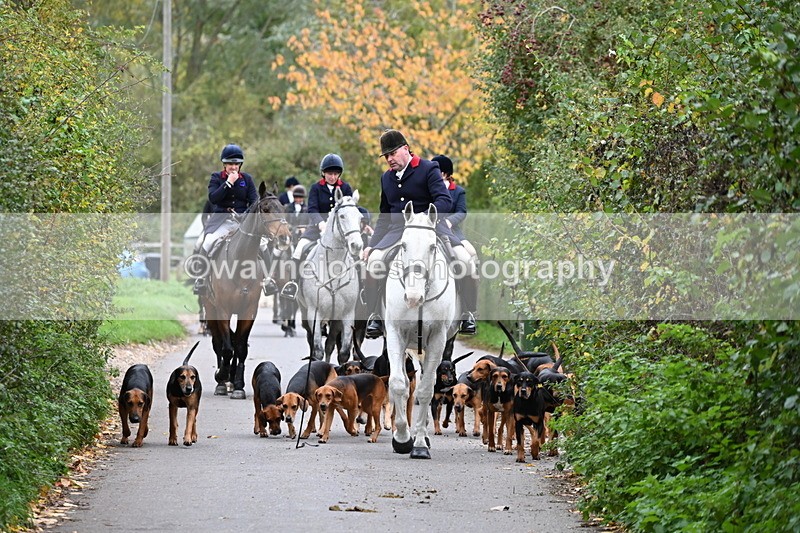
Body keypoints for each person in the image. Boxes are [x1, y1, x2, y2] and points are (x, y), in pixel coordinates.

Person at [361, 130, 478, 338]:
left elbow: (444, 200)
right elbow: (385, 216)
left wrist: (423, 218)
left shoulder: (428, 168)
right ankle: (374, 316)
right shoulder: (386, 178)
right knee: (373, 262)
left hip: (431, 228)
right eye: (386, 156)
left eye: (392, 153)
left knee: (465, 260)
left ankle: (468, 313)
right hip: (397, 232)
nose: (389, 159)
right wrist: (372, 245)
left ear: (405, 149)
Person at [279, 154, 354, 300]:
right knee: (299, 248)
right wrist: (320, 223)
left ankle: (360, 287)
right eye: (329, 174)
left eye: (335, 174)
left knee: (355, 251)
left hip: (340, 230)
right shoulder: (315, 188)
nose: (332, 177)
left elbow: (350, 210)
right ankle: (293, 284)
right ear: (323, 173)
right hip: (317, 227)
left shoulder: (346, 188)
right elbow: (312, 209)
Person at [192, 143, 258, 295]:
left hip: (242, 222)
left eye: (236, 164)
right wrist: (228, 183)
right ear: (224, 164)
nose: (233, 167)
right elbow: (213, 198)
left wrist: (245, 215)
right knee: (207, 242)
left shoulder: (247, 179)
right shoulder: (216, 177)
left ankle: (268, 280)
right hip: (221, 221)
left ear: (240, 164)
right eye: (230, 164)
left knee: (263, 243)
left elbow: (254, 201)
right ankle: (201, 279)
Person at [432, 154, 480, 330]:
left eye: (436, 172)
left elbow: (462, 211)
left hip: (453, 233)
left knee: (469, 259)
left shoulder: (457, 191)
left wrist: (449, 221)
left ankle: (468, 312)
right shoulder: (427, 189)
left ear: (445, 174)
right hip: (429, 231)